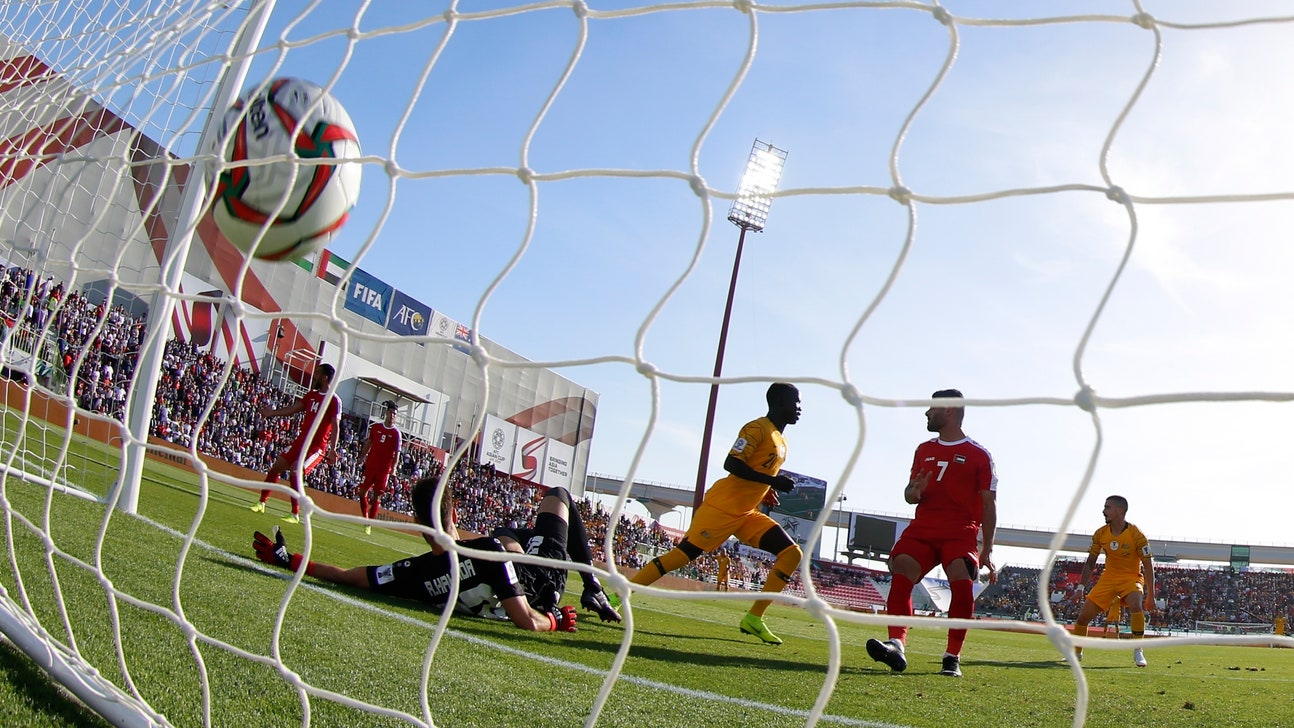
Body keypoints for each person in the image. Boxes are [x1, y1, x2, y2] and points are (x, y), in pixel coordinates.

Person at [253, 476, 578, 632]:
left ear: (420, 525)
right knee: (559, 494)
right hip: (544, 574)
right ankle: (593, 587)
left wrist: (289, 559)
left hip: (504, 562)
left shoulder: (412, 573)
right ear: (455, 515)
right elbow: (527, 621)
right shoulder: (489, 554)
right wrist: (555, 619)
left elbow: (346, 576)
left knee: (506, 535)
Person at [617, 382, 803, 645]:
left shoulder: (781, 440)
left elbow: (757, 472)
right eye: (795, 402)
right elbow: (732, 463)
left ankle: (754, 618)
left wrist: (765, 490)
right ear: (778, 402)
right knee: (681, 556)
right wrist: (773, 482)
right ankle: (620, 594)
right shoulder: (756, 428)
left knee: (792, 554)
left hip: (747, 512)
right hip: (722, 507)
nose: (799, 408)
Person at [866, 389, 997, 678]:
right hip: (924, 527)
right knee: (901, 566)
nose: (927, 413)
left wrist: (986, 548)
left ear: (948, 410)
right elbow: (910, 495)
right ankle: (896, 644)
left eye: (931, 408)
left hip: (960, 530)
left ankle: (952, 657)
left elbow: (989, 504)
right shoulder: (923, 450)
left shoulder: (979, 455)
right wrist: (914, 491)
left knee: (961, 578)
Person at [249, 363, 341, 523]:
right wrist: (272, 413)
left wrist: (332, 449)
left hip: (316, 447)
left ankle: (295, 513)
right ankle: (261, 503)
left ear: (325, 378)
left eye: (318, 373)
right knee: (276, 467)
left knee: (295, 471)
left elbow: (335, 425)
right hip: (301, 442)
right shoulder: (311, 395)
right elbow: (293, 408)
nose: (315, 375)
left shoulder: (334, 400)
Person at [1070, 495, 1155, 667]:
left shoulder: (1137, 535)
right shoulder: (1100, 534)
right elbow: (1090, 562)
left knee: (1135, 603)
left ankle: (1138, 650)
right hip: (1108, 578)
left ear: (1120, 510)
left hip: (1131, 577)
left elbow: (1147, 565)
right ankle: (1076, 654)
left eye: (1108, 507)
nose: (1104, 511)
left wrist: (1151, 595)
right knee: (1082, 618)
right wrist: (1080, 587)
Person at [356, 400, 402, 534]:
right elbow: (369, 443)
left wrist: (393, 468)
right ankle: (365, 518)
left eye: (395, 414)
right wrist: (362, 457)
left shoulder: (396, 433)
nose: (393, 415)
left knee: (376, 497)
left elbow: (397, 453)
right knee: (362, 492)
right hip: (370, 466)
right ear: (386, 413)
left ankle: (369, 524)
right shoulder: (376, 428)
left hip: (383, 471)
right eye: (391, 412)